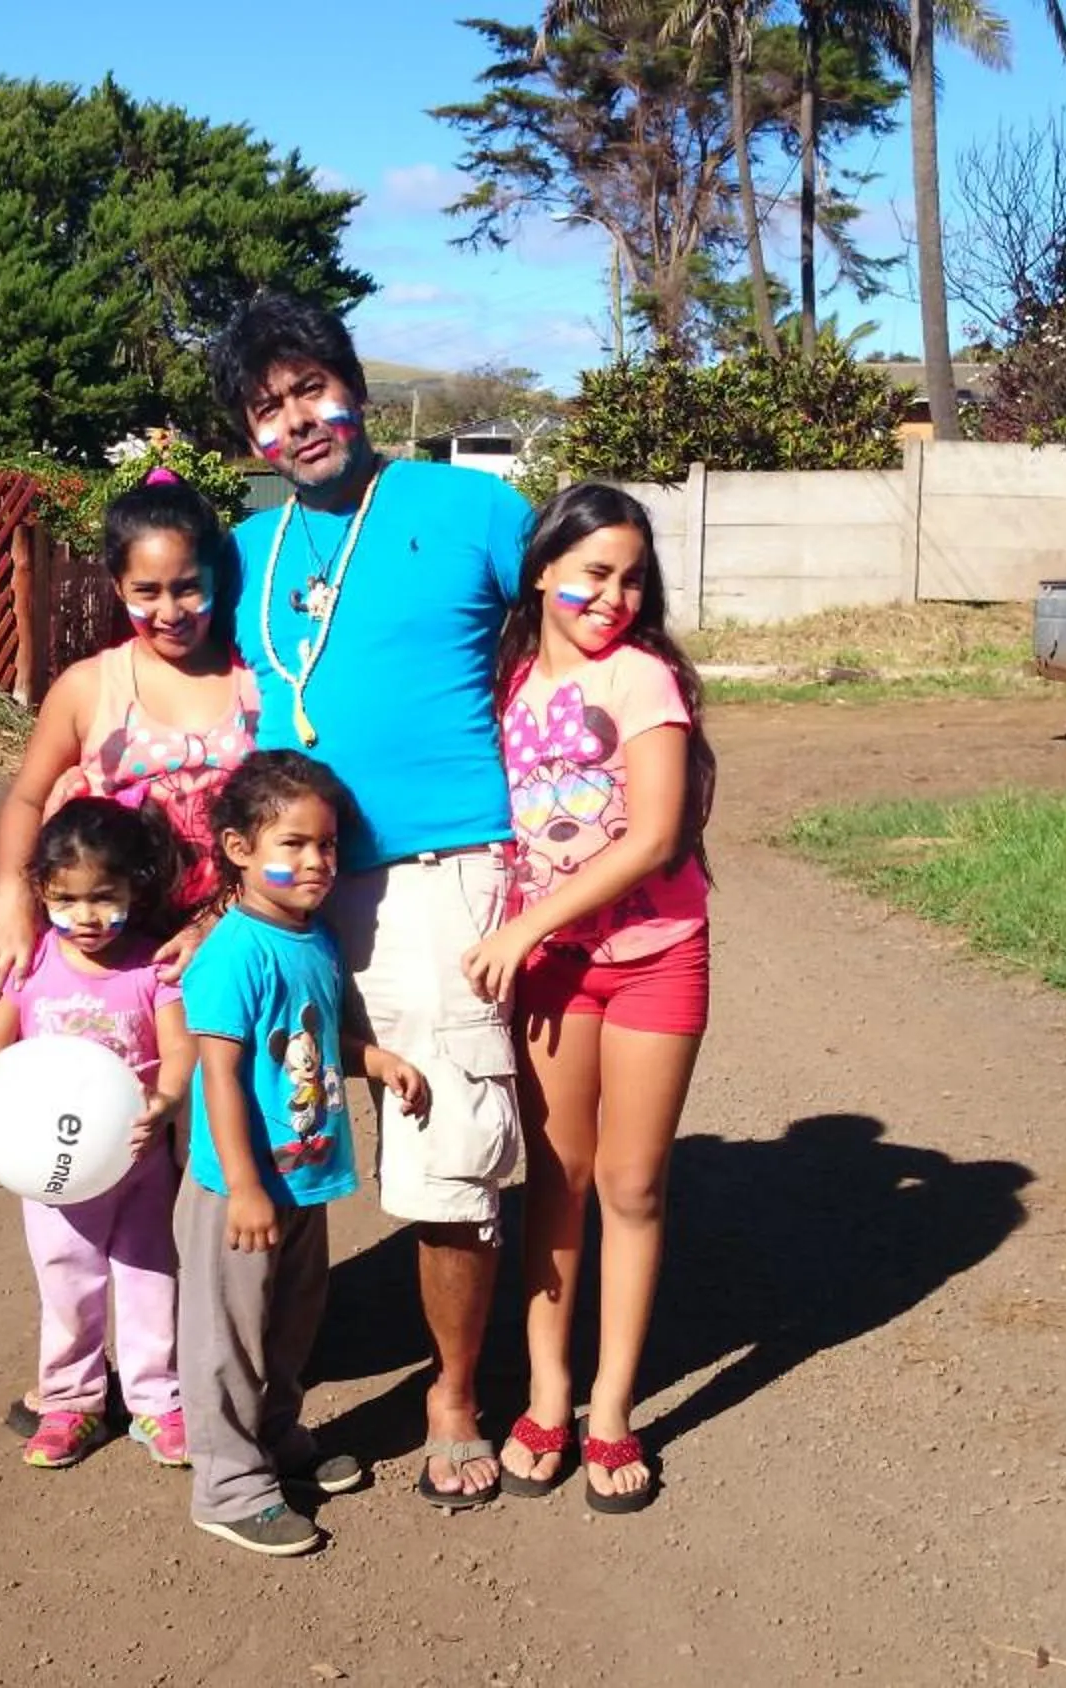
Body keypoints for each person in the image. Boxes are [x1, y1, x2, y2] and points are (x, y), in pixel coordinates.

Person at [205, 292, 534, 1509]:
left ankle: (452, 1394)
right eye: (268, 406)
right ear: (251, 435)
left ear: (355, 384)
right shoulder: (246, 545)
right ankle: (253, 1393)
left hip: (431, 875)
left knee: (446, 1146)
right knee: (267, 1140)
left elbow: (574, 630)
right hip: (278, 892)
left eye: (310, 388)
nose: (298, 420)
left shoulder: (475, 510)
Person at [463, 484, 717, 1516]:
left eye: (631, 576)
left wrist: (523, 925)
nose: (613, 594)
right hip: (558, 971)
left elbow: (656, 835)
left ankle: (612, 1404)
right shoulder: (504, 680)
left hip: (656, 954)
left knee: (633, 1181)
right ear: (542, 571)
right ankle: (548, 1390)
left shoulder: (643, 678)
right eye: (593, 572)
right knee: (556, 1179)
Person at [179, 752, 429, 1555]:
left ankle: (275, 1438)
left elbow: (314, 1045)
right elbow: (218, 1078)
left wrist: (372, 1059)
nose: (316, 862)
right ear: (238, 848)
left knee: (290, 1323)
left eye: (326, 846)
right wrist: (246, 1186)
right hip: (237, 1188)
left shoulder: (313, 940)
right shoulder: (233, 954)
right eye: (292, 845)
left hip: (304, 1177)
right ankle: (226, 1483)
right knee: (229, 1335)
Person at [0, 798, 196, 1470]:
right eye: (66, 899)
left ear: (137, 886)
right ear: (43, 893)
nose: (85, 916)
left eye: (103, 897)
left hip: (139, 1161)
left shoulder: (151, 968)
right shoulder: (29, 968)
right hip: (53, 1172)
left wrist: (165, 1102)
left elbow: (181, 1049)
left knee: (149, 1278)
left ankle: (155, 1401)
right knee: (66, 1283)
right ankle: (70, 1401)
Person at [0, 471, 257, 1001]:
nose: (169, 612)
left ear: (215, 580)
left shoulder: (258, 685)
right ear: (117, 587)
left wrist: (218, 921)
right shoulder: (86, 687)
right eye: (146, 592)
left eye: (188, 588)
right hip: (112, 963)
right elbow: (27, 798)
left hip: (232, 943)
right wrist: (12, 900)